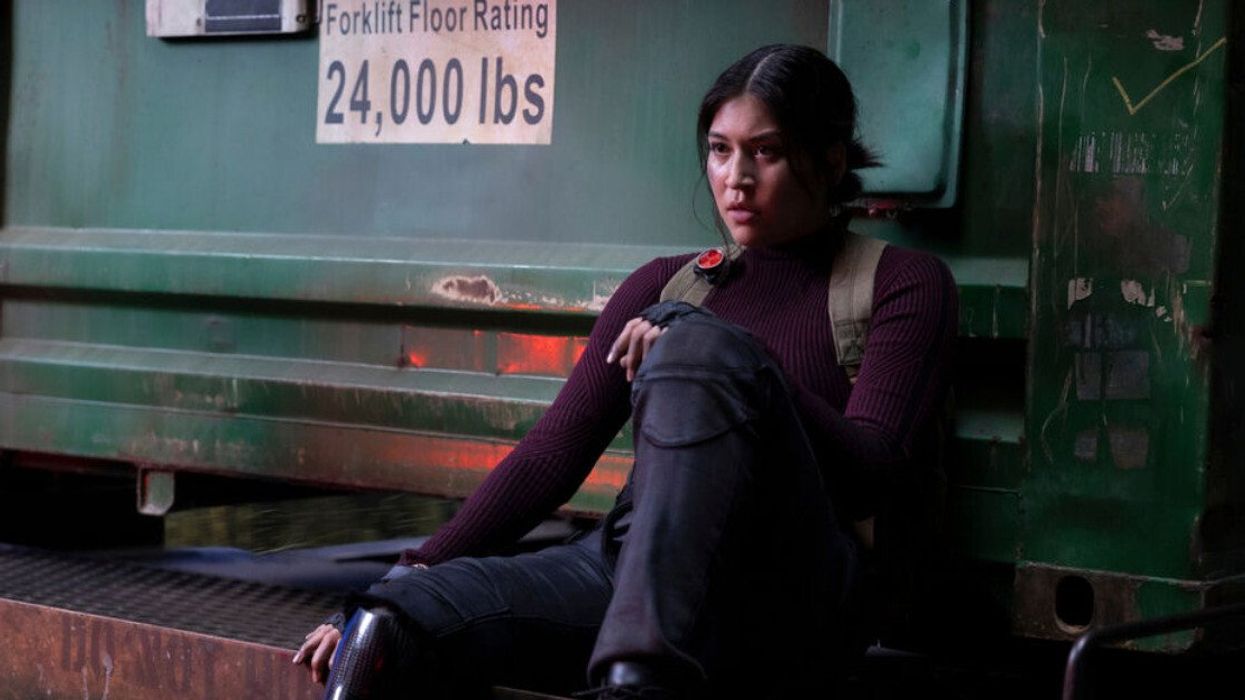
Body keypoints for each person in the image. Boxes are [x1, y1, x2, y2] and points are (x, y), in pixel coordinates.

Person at [294, 43, 957, 699]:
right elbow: (550, 456)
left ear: (829, 161)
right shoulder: (667, 285)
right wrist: (407, 574)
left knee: (701, 347)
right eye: (720, 149)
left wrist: (733, 355)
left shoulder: (901, 282)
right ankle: (630, 666)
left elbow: (876, 470)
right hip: (628, 567)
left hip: (786, 588)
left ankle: (640, 679)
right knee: (384, 626)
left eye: (767, 152)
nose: (735, 177)